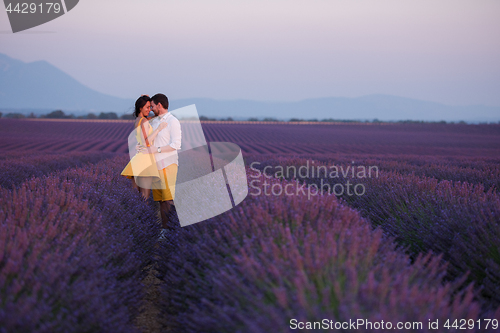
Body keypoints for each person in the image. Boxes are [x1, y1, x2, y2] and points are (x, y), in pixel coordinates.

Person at [137, 93, 181, 240]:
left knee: (169, 200)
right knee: (161, 200)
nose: (151, 109)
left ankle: (173, 230)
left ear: (160, 105)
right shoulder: (155, 122)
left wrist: (157, 150)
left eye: (153, 106)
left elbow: (176, 145)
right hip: (155, 165)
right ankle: (165, 230)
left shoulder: (173, 121)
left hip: (168, 164)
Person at [121, 95, 168, 199]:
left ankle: (135, 215)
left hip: (137, 160)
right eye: (147, 107)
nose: (150, 110)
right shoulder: (144, 121)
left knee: (135, 197)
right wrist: (158, 129)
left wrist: (146, 97)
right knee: (145, 197)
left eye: (150, 107)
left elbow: (151, 118)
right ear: (140, 108)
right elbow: (146, 142)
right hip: (145, 160)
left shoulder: (138, 120)